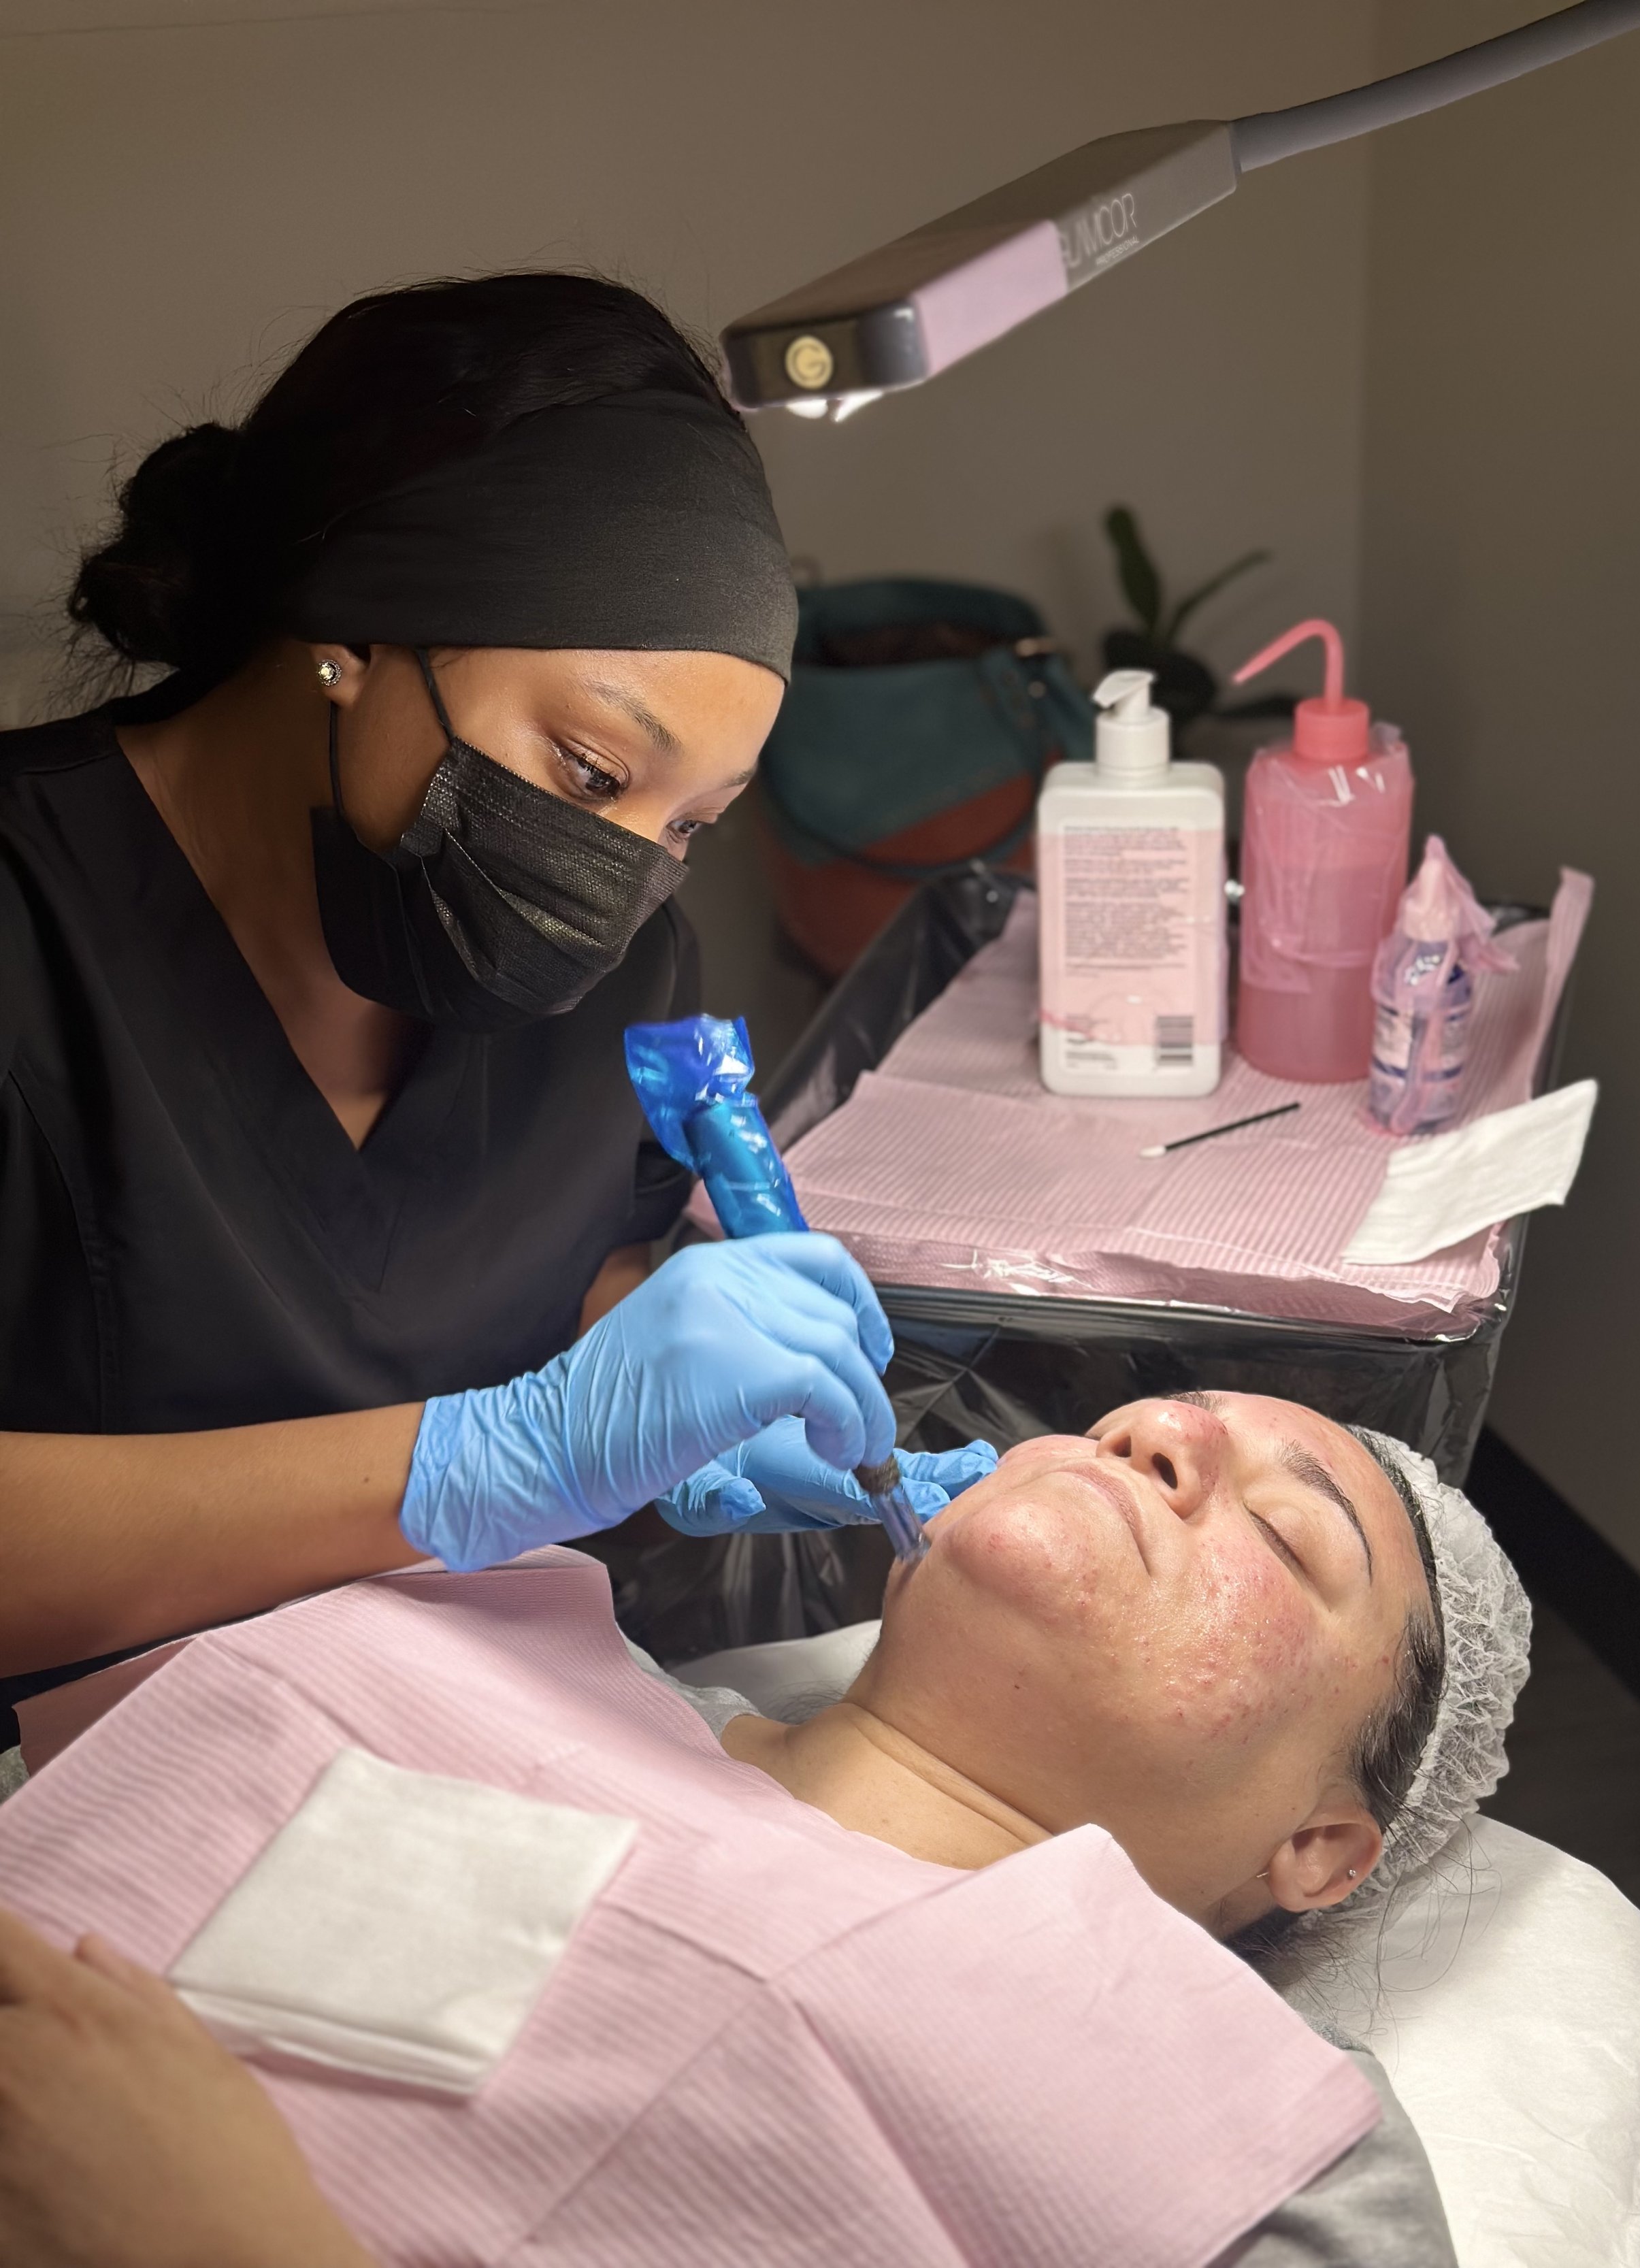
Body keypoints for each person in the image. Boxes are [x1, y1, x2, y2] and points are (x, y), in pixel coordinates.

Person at [0, 272, 993, 1735]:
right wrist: (478, 1463)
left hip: (431, 1759)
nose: (620, 875)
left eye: (689, 823)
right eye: (591, 772)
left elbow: (564, 1263)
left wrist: (692, 1407)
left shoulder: (617, 969)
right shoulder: (33, 923)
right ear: (350, 631)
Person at [0, 1392, 1531, 2266]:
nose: (1150, 1436)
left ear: (1320, 1846)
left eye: (1286, 1531)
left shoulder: (1256, 2136)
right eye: (1132, 1421)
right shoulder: (483, 1622)